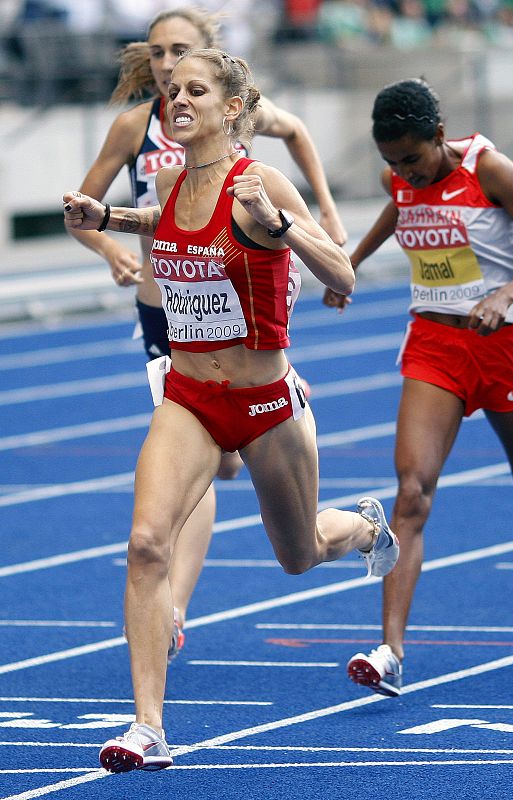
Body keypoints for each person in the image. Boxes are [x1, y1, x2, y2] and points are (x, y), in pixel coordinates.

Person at [63, 47, 399, 773]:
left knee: (299, 553)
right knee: (147, 544)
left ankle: (365, 527)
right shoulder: (175, 182)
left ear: (232, 108)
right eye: (170, 91)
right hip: (188, 397)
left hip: (265, 399)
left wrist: (279, 226)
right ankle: (148, 728)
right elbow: (165, 223)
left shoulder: (259, 180)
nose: (176, 101)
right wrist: (107, 216)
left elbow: (341, 272)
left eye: (194, 91)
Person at [66, 5, 347, 663]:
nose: (170, 74)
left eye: (183, 58)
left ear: (226, 95)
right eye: (160, 57)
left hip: (245, 289)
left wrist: (320, 222)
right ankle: (174, 609)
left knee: (289, 544)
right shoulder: (137, 126)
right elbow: (121, 212)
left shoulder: (242, 121)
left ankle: (339, 517)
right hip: (164, 314)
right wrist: (109, 241)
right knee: (191, 471)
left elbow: (298, 135)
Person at [323, 78, 513, 698]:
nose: (404, 173)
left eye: (413, 159)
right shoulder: (399, 177)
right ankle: (391, 652)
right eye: (391, 161)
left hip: (503, 346)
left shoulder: (491, 170)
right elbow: (398, 212)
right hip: (433, 344)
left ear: (440, 138)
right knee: (412, 493)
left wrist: (504, 296)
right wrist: (351, 266)